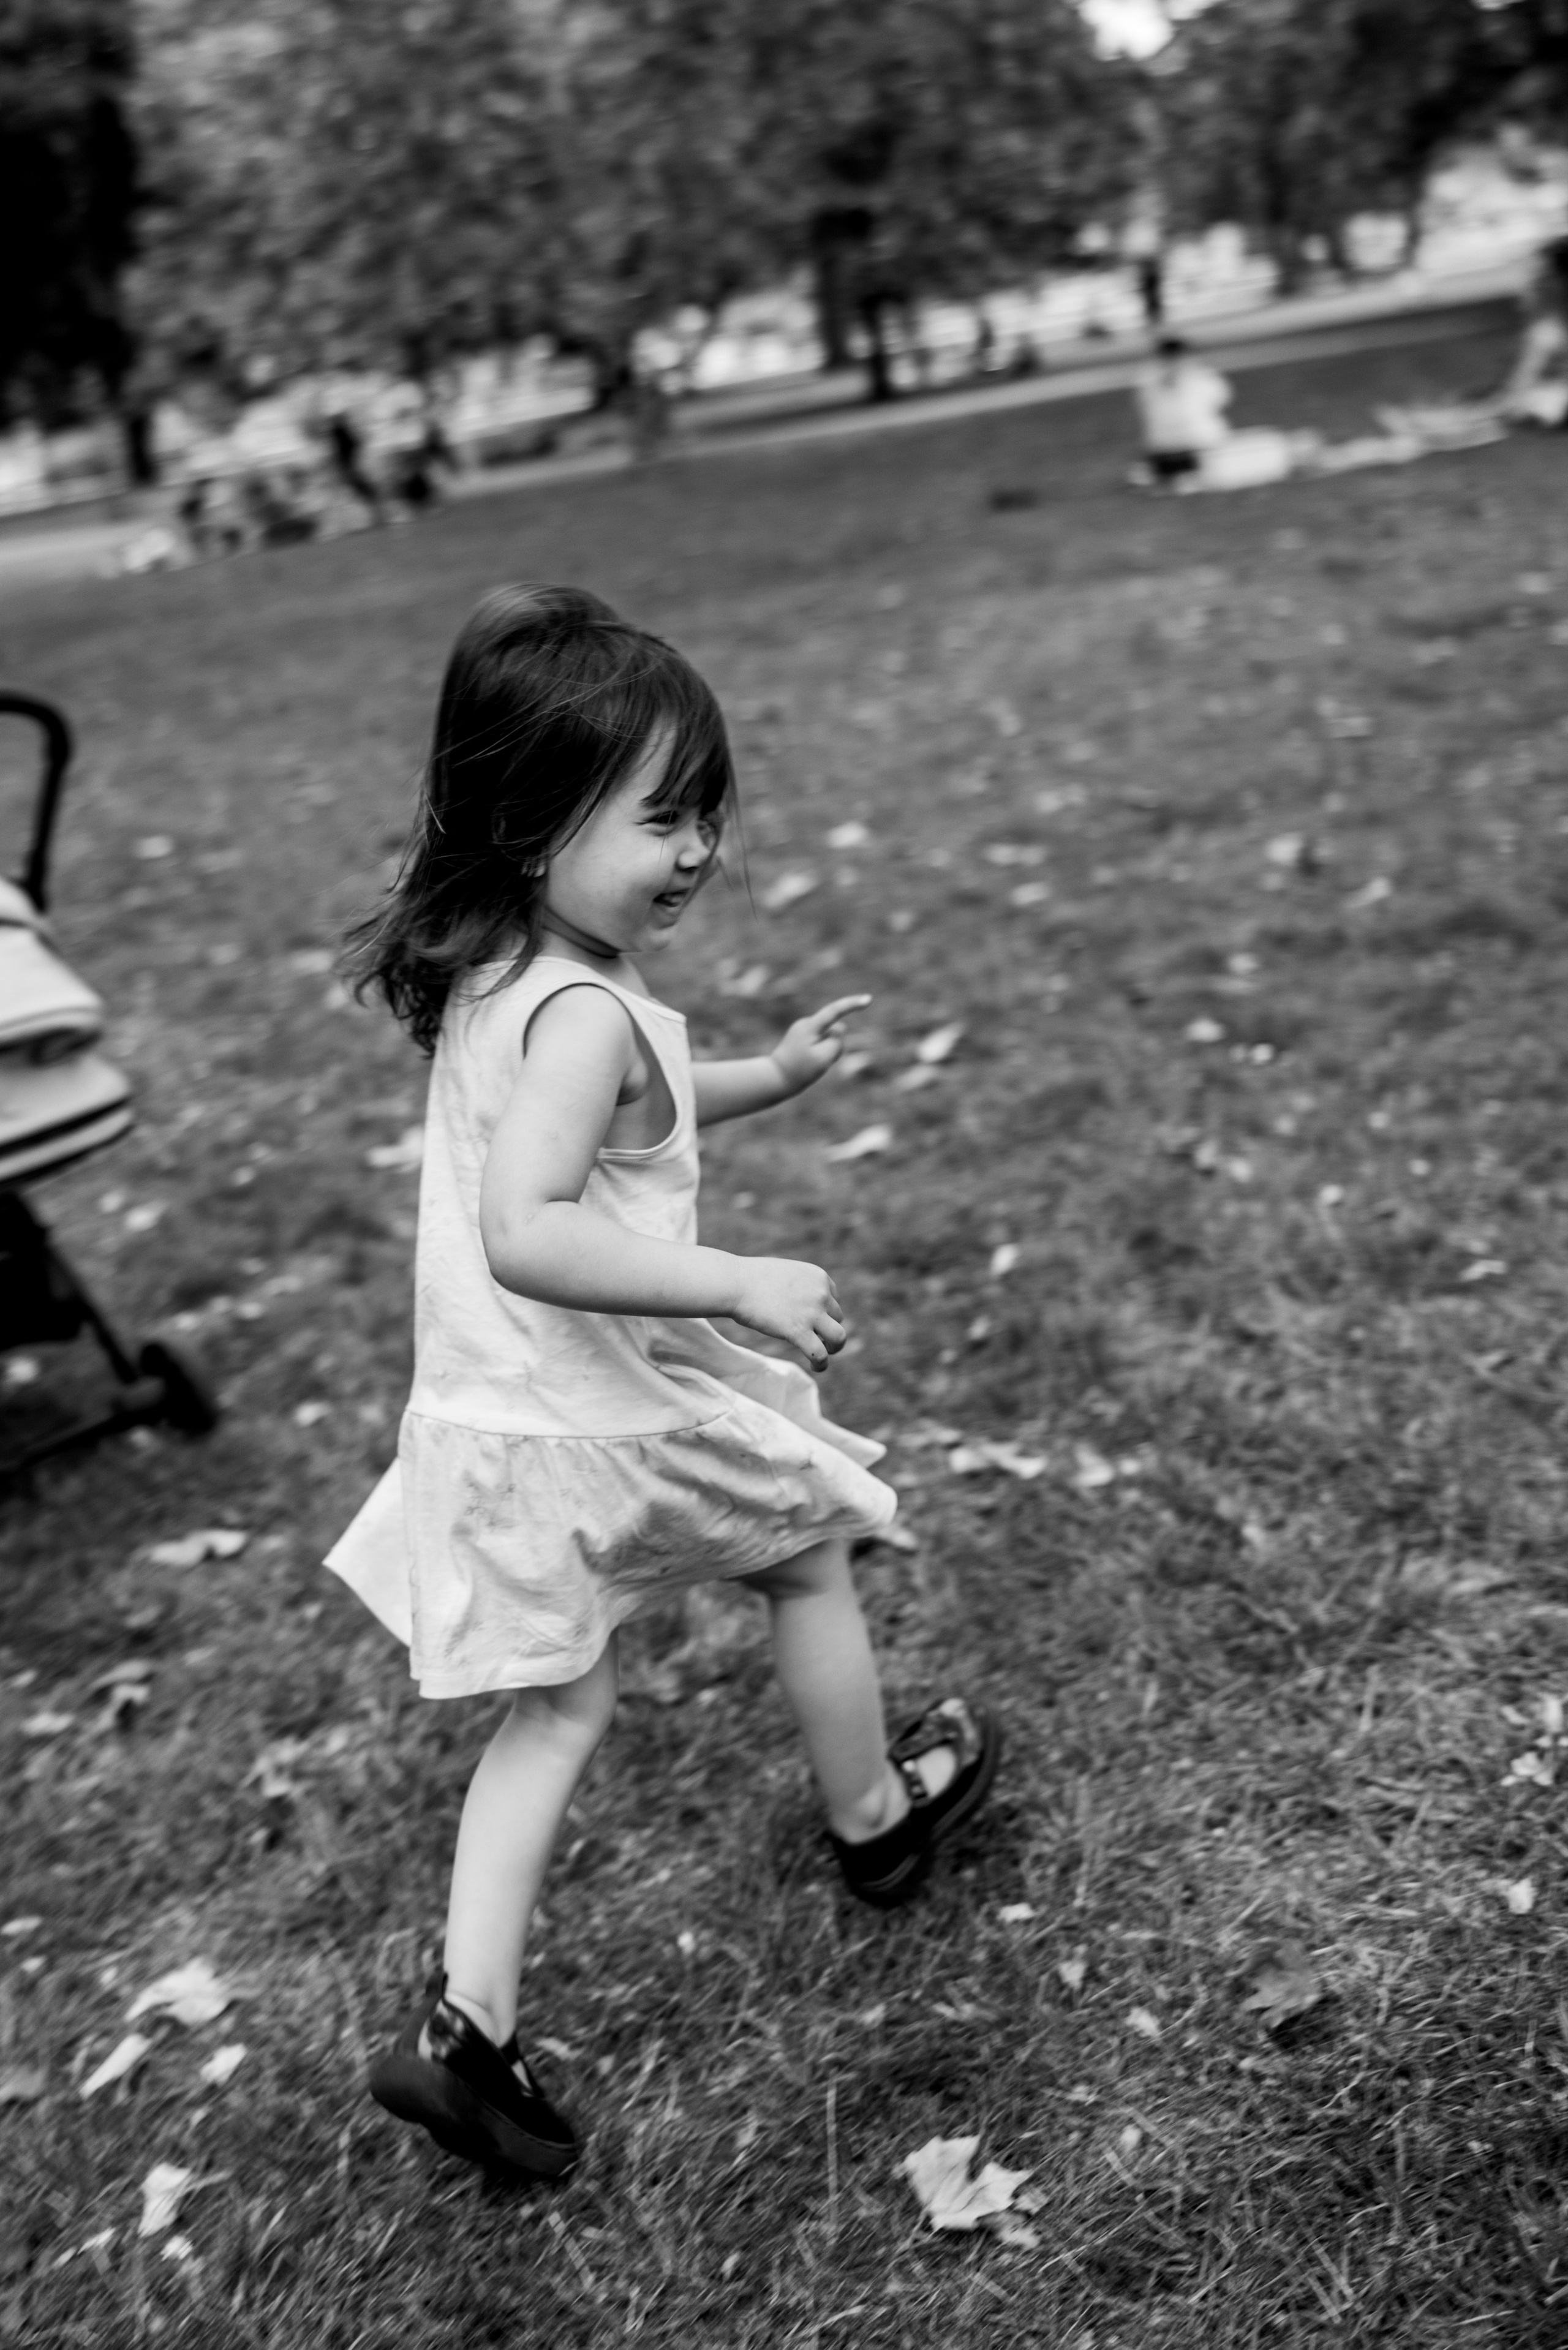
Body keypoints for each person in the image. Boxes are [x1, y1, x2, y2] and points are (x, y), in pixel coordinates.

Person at [328, 584, 1000, 2182]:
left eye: (712, 812)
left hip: (494, 1431)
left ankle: (463, 2029)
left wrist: (773, 1074)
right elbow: (528, 1226)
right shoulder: (577, 1011)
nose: (700, 848)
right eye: (666, 816)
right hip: (603, 1416)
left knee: (556, 1710)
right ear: (530, 814)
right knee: (811, 1551)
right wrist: (741, 1283)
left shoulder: (510, 968)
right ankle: (874, 1816)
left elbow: (641, 1095)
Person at [1133, 334, 1232, 486]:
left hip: (1162, 448)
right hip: (1202, 443)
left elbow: (1143, 408)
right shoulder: (1204, 376)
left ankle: (1169, 475)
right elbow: (1221, 401)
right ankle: (1191, 474)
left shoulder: (1146, 380)